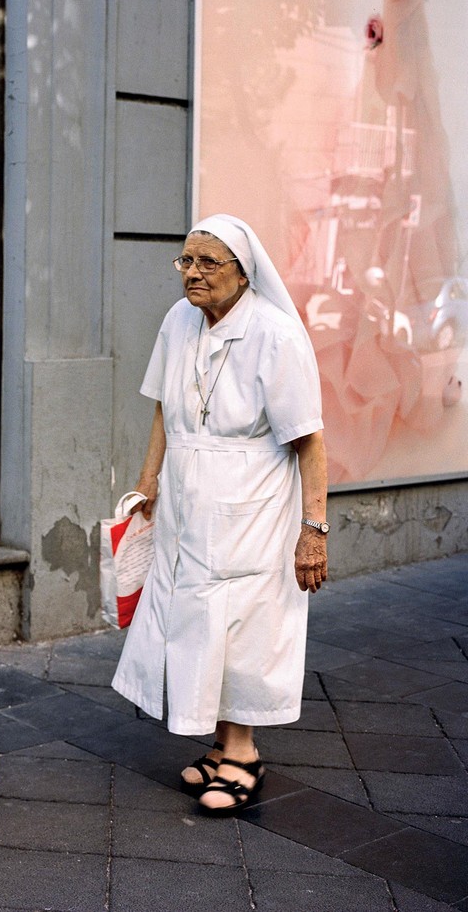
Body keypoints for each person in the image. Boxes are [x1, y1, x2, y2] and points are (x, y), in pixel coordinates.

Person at [111, 214, 329, 814]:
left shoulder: (275, 335)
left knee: (242, 619)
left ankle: (243, 754)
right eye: (187, 261)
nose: (194, 274)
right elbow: (162, 409)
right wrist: (147, 480)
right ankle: (218, 743)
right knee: (194, 616)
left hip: (252, 501)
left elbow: (309, 440)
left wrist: (314, 530)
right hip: (186, 498)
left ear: (243, 272)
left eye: (209, 263)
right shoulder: (179, 321)